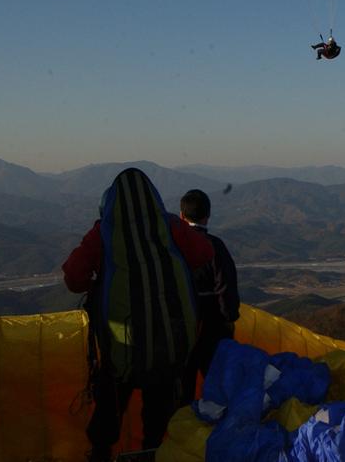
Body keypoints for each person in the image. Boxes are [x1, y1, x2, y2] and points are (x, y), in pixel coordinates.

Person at [62, 167, 214, 461]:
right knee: (158, 416)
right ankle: (152, 453)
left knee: (109, 408)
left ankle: (101, 453)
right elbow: (204, 254)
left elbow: (73, 277)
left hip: (120, 345)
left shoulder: (103, 232)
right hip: (167, 343)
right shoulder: (169, 226)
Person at [179, 188, 241, 404]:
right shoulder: (215, 246)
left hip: (179, 326)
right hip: (213, 325)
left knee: (181, 385)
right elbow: (225, 285)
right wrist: (229, 318)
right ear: (208, 215)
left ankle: (179, 426)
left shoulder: (173, 246)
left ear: (181, 215)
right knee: (217, 383)